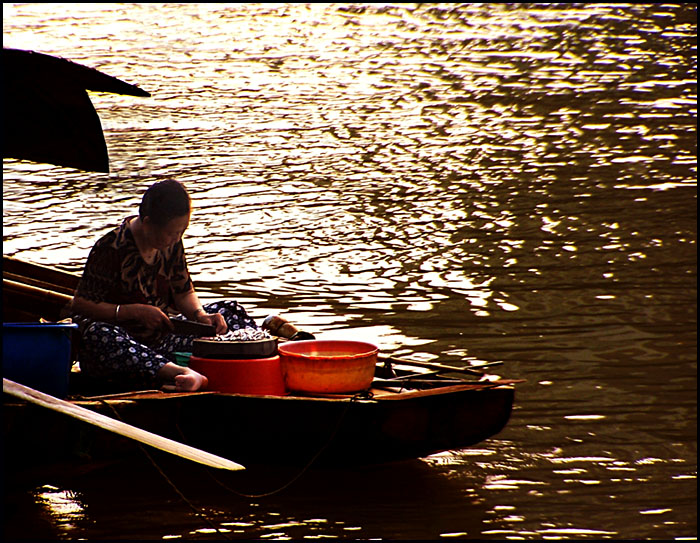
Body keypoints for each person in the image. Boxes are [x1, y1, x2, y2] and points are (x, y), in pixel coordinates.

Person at [70, 179, 258, 392]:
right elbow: (80, 305)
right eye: (171, 232)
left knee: (231, 311)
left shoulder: (172, 242)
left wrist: (200, 316)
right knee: (98, 336)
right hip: (124, 345)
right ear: (148, 223)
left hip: (164, 338)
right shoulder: (111, 248)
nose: (176, 238)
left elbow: (183, 290)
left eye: (181, 232)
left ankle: (254, 357)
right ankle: (182, 374)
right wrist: (132, 312)